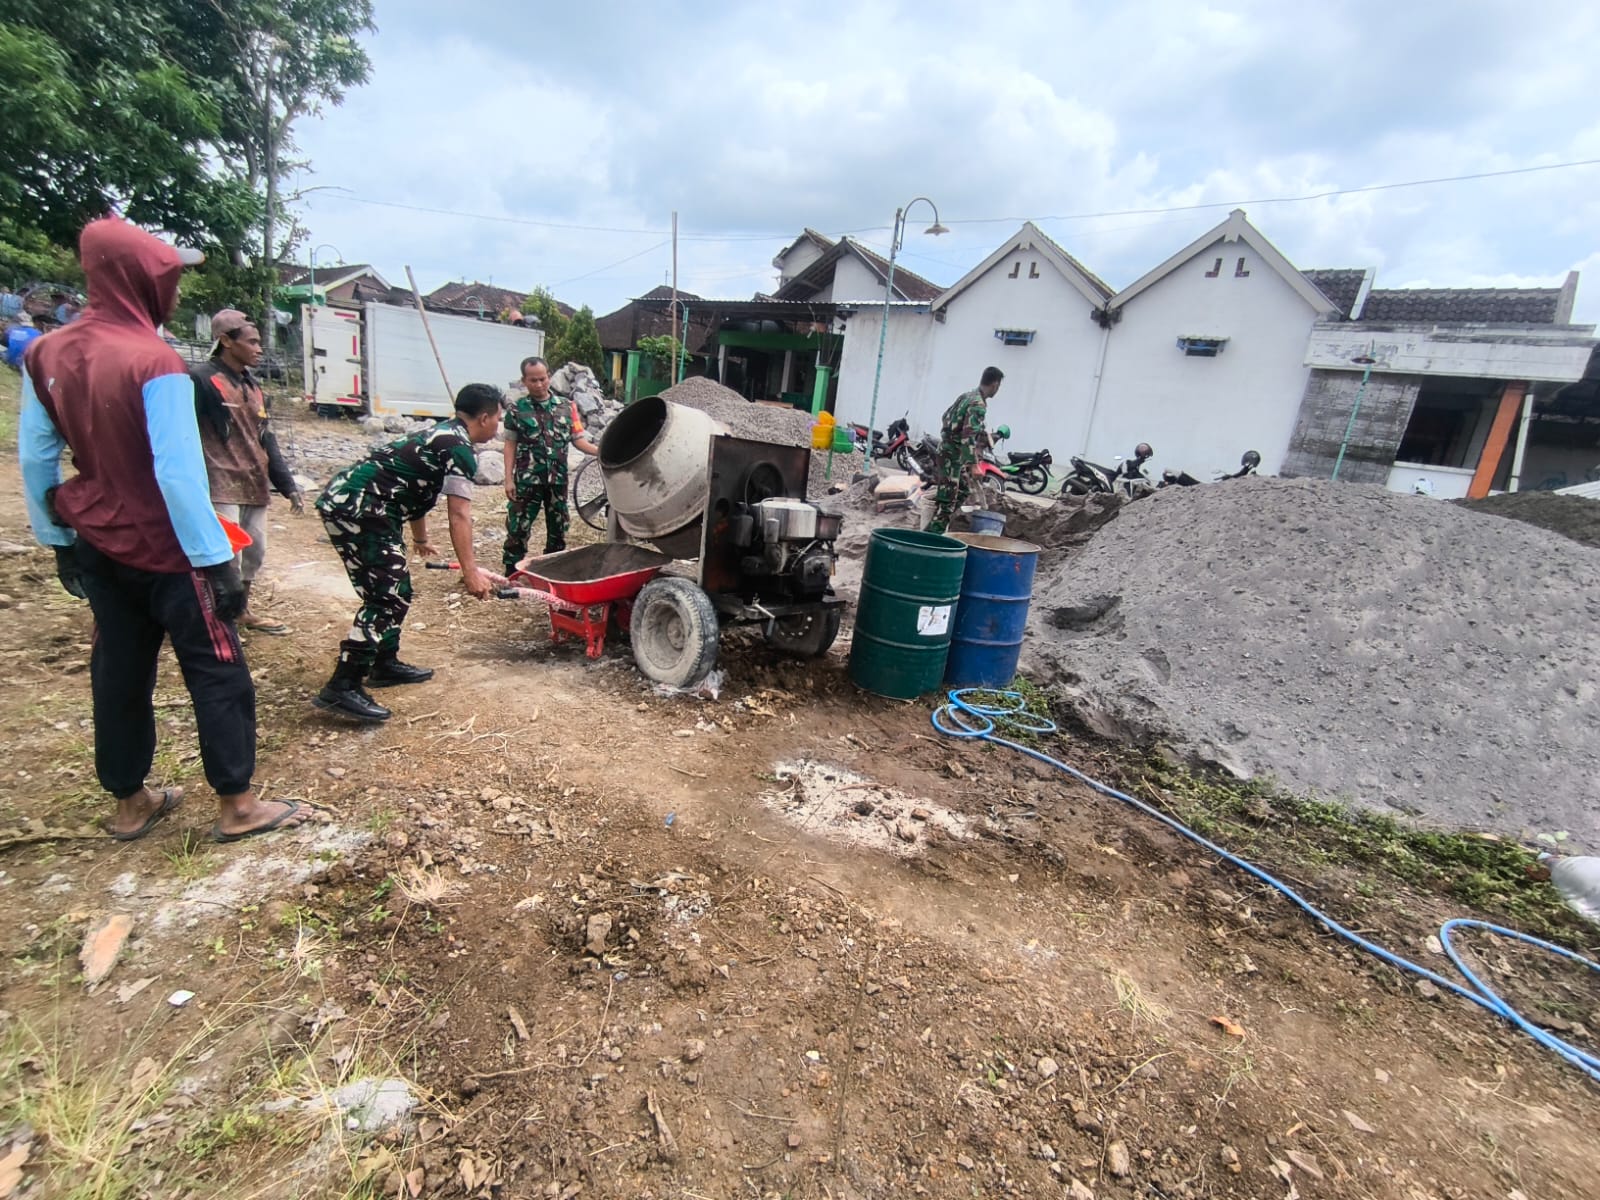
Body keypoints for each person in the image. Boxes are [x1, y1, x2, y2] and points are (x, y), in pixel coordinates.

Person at [17, 217, 314, 844]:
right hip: (171, 549)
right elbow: (178, 476)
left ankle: (131, 801)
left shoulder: (44, 353)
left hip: (97, 540)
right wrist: (216, 564)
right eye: (169, 276)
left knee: (118, 670)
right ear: (140, 279)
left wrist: (58, 541)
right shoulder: (155, 360)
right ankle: (237, 805)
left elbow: (36, 459)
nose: (174, 289)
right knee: (217, 668)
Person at [313, 383, 503, 723]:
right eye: (498, 419)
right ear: (485, 417)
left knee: (396, 590)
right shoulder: (459, 447)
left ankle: (384, 663)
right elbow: (459, 513)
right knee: (386, 596)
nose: (498, 427)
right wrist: (470, 570)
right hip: (361, 509)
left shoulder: (443, 435)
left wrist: (420, 537)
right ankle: (343, 684)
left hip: (357, 506)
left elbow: (414, 485)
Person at [191, 309, 305, 635]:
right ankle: (217, 622)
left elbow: (266, 437)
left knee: (254, 551)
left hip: (254, 480)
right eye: (251, 342)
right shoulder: (201, 380)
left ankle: (240, 613)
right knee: (225, 556)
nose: (259, 348)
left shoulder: (252, 386)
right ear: (226, 341)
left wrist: (287, 484)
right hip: (218, 479)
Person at [501, 356, 598, 573]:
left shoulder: (567, 406)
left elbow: (578, 440)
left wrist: (601, 453)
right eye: (533, 380)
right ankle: (512, 573)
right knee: (518, 527)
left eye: (543, 379)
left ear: (549, 376)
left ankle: (552, 571)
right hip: (527, 480)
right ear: (524, 380)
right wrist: (508, 479)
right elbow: (510, 445)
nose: (539, 384)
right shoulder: (517, 410)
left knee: (558, 528)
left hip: (557, 480)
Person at [927, 366, 1004, 535]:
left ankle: (936, 527)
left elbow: (946, 417)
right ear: (995, 384)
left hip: (949, 451)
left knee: (962, 490)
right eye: (999, 386)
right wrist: (974, 465)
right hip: (952, 455)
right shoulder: (978, 405)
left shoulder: (967, 396)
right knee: (947, 502)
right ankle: (930, 539)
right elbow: (967, 437)